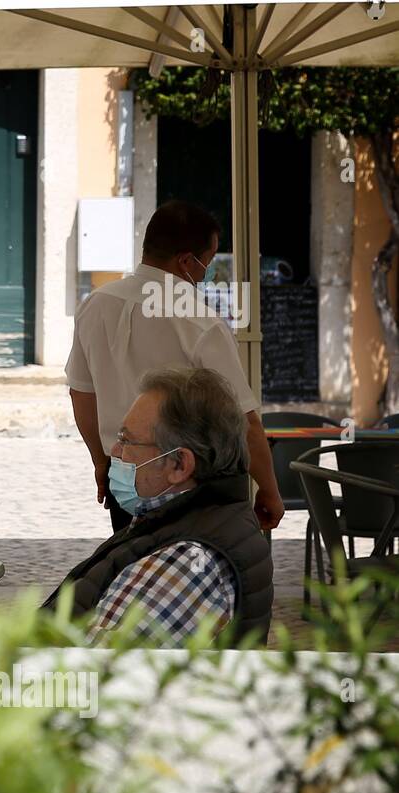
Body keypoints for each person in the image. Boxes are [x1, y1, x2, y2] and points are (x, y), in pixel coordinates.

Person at [65, 200, 283, 533]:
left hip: (123, 474)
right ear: (185, 261)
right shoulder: (199, 321)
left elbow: (81, 393)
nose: (205, 272)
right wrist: (269, 489)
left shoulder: (96, 304)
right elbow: (243, 420)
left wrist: (101, 460)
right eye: (206, 262)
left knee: (132, 572)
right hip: (185, 482)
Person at [44, 367, 274, 645]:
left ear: (179, 464)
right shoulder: (183, 521)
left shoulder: (186, 563)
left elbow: (95, 671)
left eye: (126, 441)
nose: (115, 452)